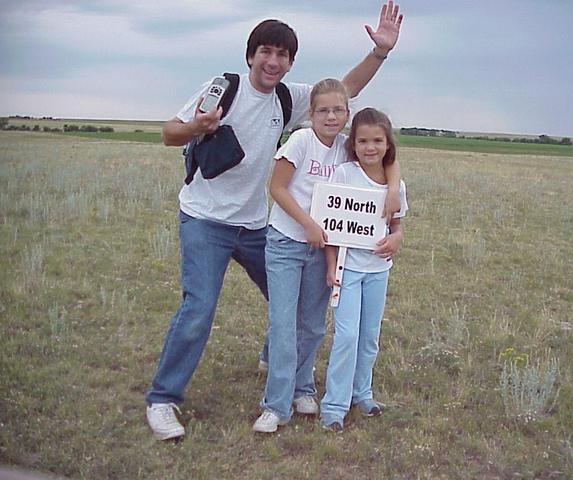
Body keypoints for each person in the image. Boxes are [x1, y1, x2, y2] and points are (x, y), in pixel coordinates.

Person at [145, 3, 405, 441]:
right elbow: (169, 132)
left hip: (257, 228)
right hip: (205, 220)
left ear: (289, 63)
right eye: (265, 51)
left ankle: (280, 364)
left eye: (282, 55)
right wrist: (198, 126)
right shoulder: (221, 88)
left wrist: (379, 52)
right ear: (251, 56)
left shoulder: (287, 97)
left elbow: (343, 91)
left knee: (293, 306)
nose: (273, 61)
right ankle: (163, 399)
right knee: (199, 308)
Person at [252, 80, 402, 433]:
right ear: (311, 113)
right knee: (284, 325)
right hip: (287, 242)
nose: (331, 117)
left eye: (338, 110)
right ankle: (275, 405)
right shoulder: (302, 141)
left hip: (323, 248)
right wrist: (306, 223)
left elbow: (389, 159)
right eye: (323, 110)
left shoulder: (346, 150)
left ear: (347, 115)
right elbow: (276, 188)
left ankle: (303, 387)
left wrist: (393, 191)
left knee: (313, 324)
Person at [320, 107, 408, 433]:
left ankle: (363, 393)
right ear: (352, 143)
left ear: (387, 144)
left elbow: (396, 226)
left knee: (370, 337)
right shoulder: (344, 174)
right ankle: (333, 406)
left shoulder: (395, 185)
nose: (370, 148)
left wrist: (396, 239)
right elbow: (331, 226)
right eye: (362, 141)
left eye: (377, 141)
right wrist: (331, 267)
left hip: (378, 271)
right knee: (346, 336)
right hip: (347, 269)